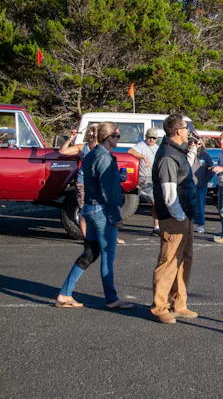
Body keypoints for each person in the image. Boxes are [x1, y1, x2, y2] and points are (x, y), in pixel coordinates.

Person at [55, 122, 133, 309]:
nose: (118, 139)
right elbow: (107, 190)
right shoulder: (105, 157)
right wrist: (116, 216)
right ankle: (111, 299)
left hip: (89, 208)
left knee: (90, 253)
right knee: (107, 254)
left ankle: (65, 293)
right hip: (101, 211)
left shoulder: (91, 154)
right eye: (116, 136)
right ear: (108, 137)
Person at [150, 114, 198, 324]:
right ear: (178, 131)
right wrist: (180, 217)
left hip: (183, 214)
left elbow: (183, 175)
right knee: (168, 261)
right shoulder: (168, 156)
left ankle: (179, 303)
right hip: (174, 216)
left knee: (183, 260)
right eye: (187, 128)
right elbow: (169, 193)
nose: (189, 132)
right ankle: (159, 307)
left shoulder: (177, 152)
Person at [128, 128, 160, 235]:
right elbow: (130, 151)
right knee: (155, 202)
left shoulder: (157, 147)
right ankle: (156, 227)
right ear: (146, 137)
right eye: (149, 137)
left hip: (155, 178)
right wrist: (143, 157)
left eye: (154, 138)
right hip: (145, 178)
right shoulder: (141, 145)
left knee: (159, 202)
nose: (151, 140)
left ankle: (157, 226)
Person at [191, 139, 214, 234]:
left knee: (200, 205)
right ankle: (188, 224)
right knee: (188, 205)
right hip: (189, 185)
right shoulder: (190, 154)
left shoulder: (206, 156)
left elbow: (211, 169)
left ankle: (200, 225)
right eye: (196, 143)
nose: (197, 145)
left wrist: (205, 180)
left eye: (199, 144)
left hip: (201, 185)